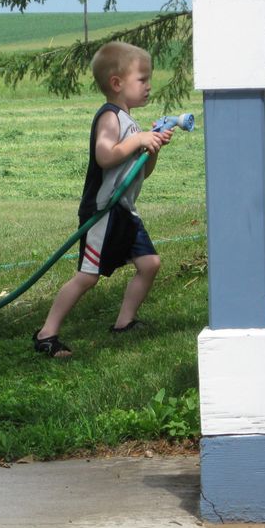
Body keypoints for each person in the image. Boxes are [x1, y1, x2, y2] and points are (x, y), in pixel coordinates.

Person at [32, 41, 173, 358]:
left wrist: (153, 149)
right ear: (117, 83)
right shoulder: (110, 118)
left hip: (124, 211)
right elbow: (105, 155)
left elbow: (142, 173)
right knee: (87, 276)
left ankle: (124, 322)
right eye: (143, 79)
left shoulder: (131, 122)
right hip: (102, 212)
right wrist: (139, 139)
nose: (149, 86)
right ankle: (47, 333)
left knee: (150, 264)